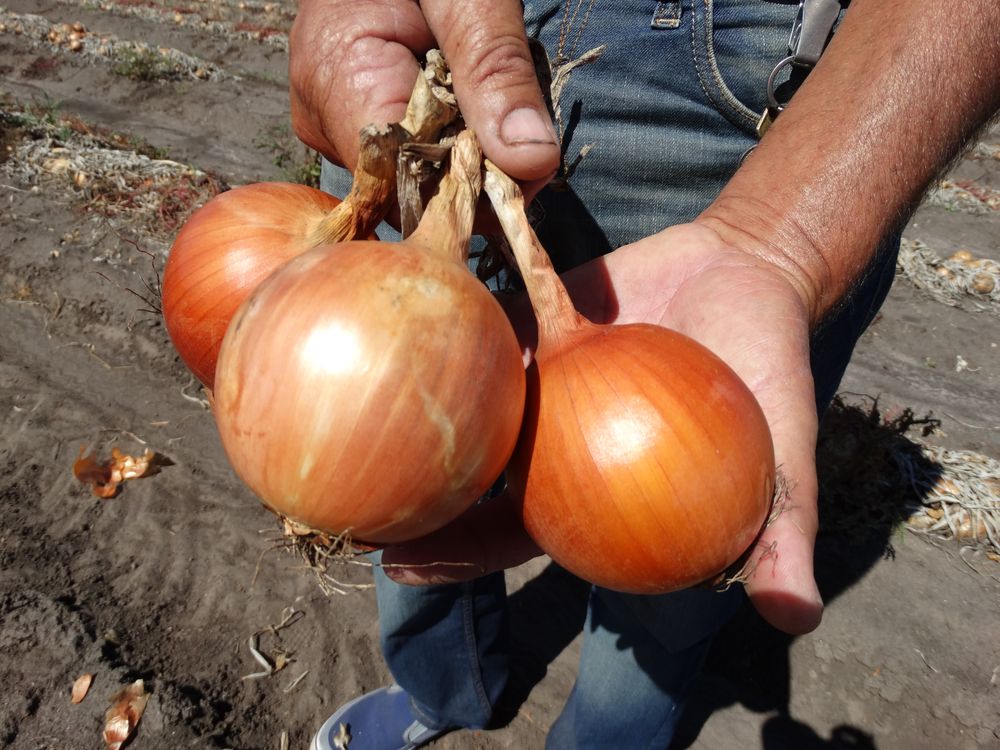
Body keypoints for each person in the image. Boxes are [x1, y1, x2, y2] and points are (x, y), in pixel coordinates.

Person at [288, 1, 1000, 747]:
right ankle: (441, 695)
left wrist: (779, 241)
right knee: (391, 477)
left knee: (676, 573)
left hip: (755, 69)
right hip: (459, 30)